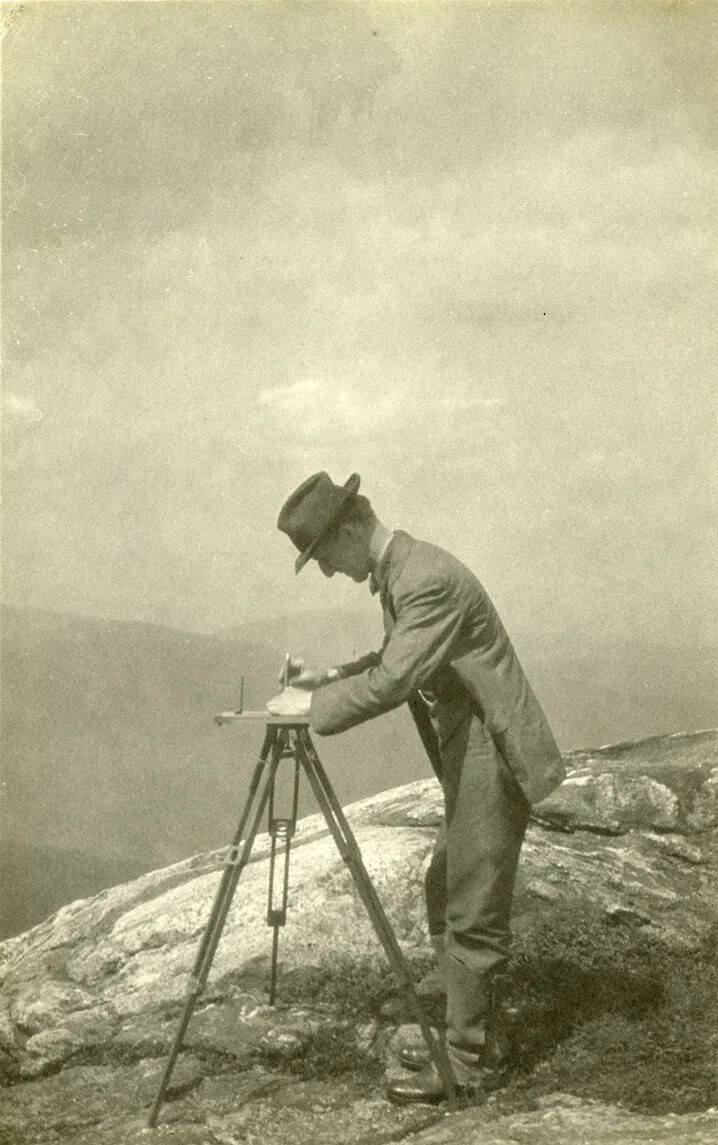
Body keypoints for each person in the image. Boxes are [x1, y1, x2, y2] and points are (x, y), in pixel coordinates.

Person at [269, 471, 565, 1102]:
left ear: (349, 527)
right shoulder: (403, 571)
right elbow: (395, 657)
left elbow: (399, 679)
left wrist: (309, 712)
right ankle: (478, 1030)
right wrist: (325, 678)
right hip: (470, 747)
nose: (325, 571)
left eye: (322, 555)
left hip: (491, 748)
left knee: (471, 903)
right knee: (447, 886)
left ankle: (468, 1059)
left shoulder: (423, 578)